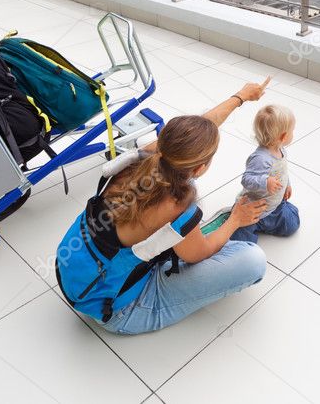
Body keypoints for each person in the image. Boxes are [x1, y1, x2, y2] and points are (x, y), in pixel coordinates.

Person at [54, 78, 272, 335]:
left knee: (171, 220)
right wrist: (236, 218)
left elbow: (192, 137)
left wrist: (240, 97)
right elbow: (198, 255)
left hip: (75, 270)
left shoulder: (140, 160)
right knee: (253, 259)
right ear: (201, 168)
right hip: (119, 310)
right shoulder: (179, 208)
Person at [231, 105, 300, 243]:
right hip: (254, 210)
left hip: (274, 206)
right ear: (284, 136)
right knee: (242, 243)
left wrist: (287, 185)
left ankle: (267, 222)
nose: (293, 133)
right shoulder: (261, 158)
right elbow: (246, 179)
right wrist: (265, 181)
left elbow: (283, 171)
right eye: (292, 131)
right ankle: (237, 217)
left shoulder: (281, 150)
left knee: (292, 223)